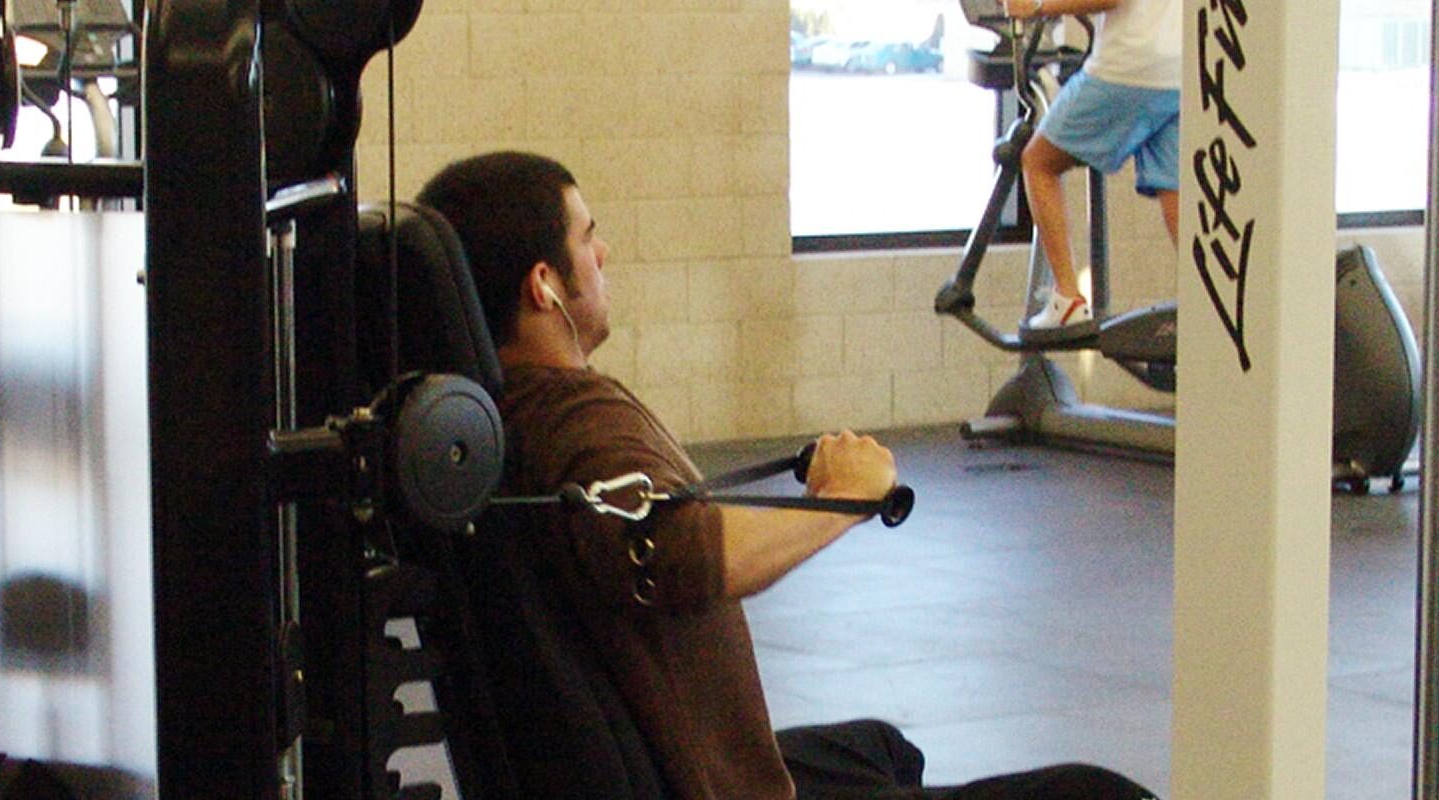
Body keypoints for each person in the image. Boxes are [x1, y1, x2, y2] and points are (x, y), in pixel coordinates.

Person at [418, 151, 1157, 800]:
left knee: (879, 748)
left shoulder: (493, 420)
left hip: (687, 762)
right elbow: (684, 553)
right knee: (1103, 794)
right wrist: (843, 501)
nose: (604, 252)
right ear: (544, 285)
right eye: (587, 236)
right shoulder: (576, 413)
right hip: (705, 784)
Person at [1008, 0, 1183, 330]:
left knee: (1038, 162)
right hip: (1183, 68)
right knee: (1174, 187)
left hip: (1130, 65)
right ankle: (1207, 303)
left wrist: (1036, 6)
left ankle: (1067, 299)